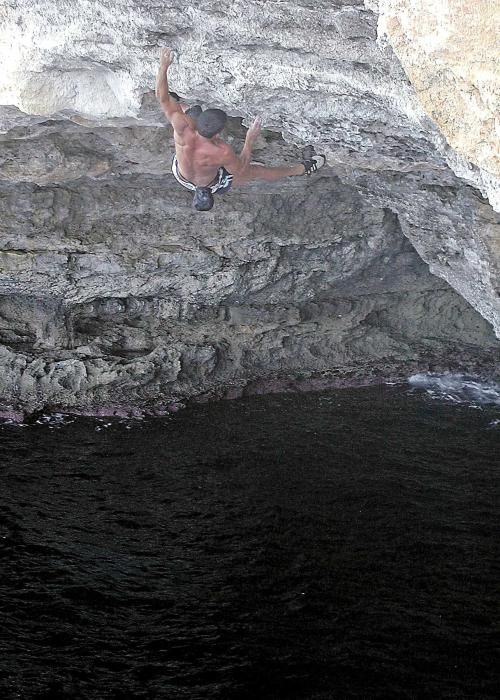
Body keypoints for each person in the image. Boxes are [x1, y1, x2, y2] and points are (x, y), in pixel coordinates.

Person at [156, 48, 326, 211]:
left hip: (182, 175)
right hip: (212, 183)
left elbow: (162, 98)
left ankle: (184, 106)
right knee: (256, 172)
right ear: (217, 134)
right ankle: (301, 169)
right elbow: (242, 168)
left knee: (188, 109)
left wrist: (163, 66)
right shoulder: (221, 152)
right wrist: (249, 140)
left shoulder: (181, 126)